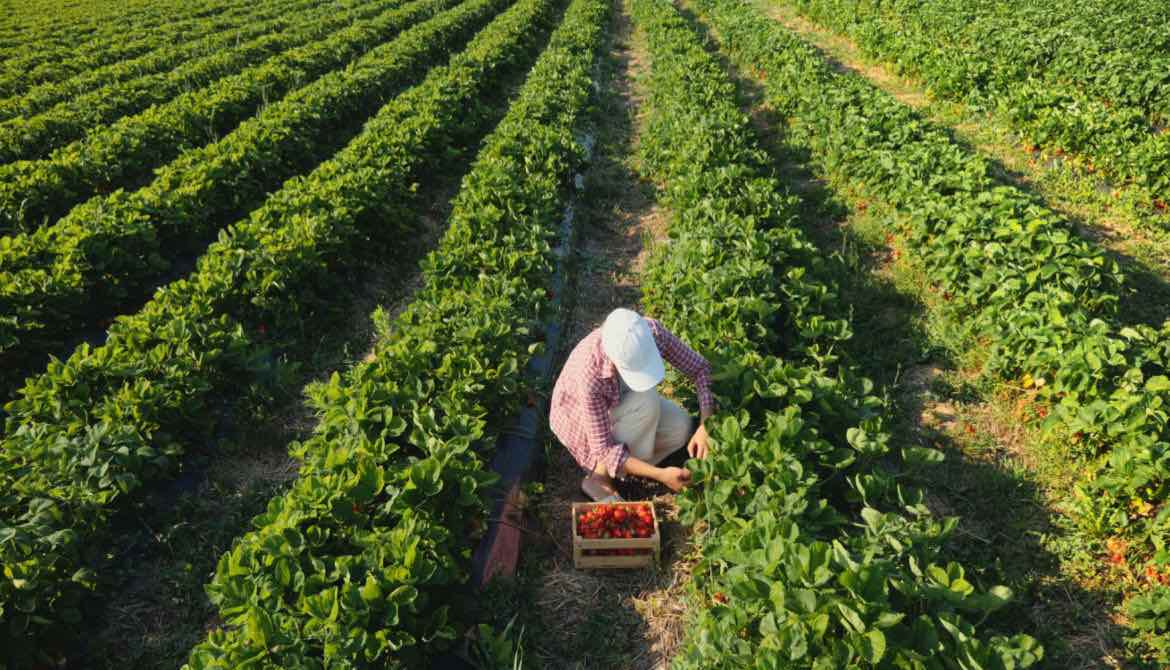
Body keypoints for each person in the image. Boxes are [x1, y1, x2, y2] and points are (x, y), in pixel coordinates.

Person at [549, 308, 715, 502]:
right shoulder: (591, 373)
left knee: (681, 427)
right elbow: (603, 449)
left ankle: (627, 466)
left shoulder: (651, 333)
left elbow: (700, 369)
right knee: (647, 402)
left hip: (623, 399)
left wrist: (706, 425)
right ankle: (600, 477)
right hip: (578, 420)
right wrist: (659, 475)